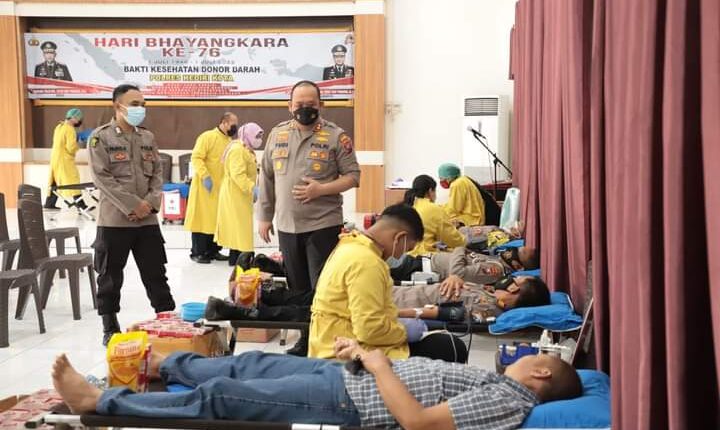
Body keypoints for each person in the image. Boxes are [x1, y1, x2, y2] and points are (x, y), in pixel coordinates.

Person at [51, 340, 582, 429]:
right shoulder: (498, 383)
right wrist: (364, 357)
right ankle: (164, 365)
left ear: (541, 374)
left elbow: (417, 422)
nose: (527, 354)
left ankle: (102, 402)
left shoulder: (509, 401)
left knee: (223, 399)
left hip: (348, 402)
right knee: (247, 363)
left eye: (536, 356)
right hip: (348, 376)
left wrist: (379, 366)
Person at [258, 80, 360, 355]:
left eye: (311, 105)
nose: (305, 109)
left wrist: (321, 189)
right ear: (289, 106)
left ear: (321, 105)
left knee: (324, 288)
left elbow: (353, 176)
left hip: (322, 224)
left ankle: (327, 341)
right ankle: (305, 339)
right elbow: (266, 176)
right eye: (299, 104)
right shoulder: (277, 134)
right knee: (297, 287)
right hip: (287, 225)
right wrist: (264, 216)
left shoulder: (336, 136)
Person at [309, 203, 466, 362]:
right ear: (399, 237)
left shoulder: (350, 246)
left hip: (331, 343)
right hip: (345, 352)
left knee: (442, 343)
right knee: (451, 347)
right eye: (405, 249)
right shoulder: (367, 263)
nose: (398, 257)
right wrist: (403, 332)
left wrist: (401, 320)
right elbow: (369, 330)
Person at [87, 84, 176, 346]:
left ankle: (166, 319)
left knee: (156, 274)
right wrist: (132, 205)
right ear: (118, 106)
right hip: (114, 221)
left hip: (147, 221)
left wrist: (149, 203)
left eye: (143, 105)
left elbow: (157, 174)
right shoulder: (101, 138)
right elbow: (102, 178)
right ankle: (109, 327)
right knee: (109, 277)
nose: (140, 109)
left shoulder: (147, 137)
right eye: (135, 104)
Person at [185, 113, 239, 264]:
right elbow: (196, 157)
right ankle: (198, 252)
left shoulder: (229, 141)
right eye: (233, 124)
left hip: (221, 189)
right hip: (204, 187)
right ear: (224, 122)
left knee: (217, 221)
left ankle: (213, 251)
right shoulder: (207, 137)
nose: (235, 128)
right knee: (202, 220)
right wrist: (205, 176)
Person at [393, 275, 551, 323]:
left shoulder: (491, 311)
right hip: (398, 290)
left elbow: (443, 313)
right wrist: (455, 277)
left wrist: (395, 313)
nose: (511, 278)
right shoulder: (489, 293)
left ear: (514, 289)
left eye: (516, 279)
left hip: (398, 302)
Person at [214, 122, 264, 266]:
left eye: (260, 136)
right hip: (235, 194)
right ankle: (240, 259)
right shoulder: (238, 150)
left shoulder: (246, 149)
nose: (259, 139)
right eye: (257, 136)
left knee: (240, 228)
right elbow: (238, 175)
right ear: (248, 135)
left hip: (240, 193)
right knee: (239, 227)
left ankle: (239, 258)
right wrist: (252, 188)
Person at [390, 245, 540, 284]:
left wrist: (459, 249)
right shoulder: (496, 260)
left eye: (518, 252)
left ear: (518, 266)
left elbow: (458, 273)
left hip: (419, 270)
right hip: (418, 261)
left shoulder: (496, 270)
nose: (511, 250)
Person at [403, 174, 466, 256]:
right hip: (425, 254)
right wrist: (465, 241)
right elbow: (453, 239)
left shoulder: (411, 205)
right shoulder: (432, 208)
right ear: (430, 190)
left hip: (411, 253)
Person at [44, 108, 86, 210]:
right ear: (74, 118)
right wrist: (79, 142)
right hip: (64, 160)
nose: (79, 121)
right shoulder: (70, 129)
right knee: (73, 181)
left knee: (54, 181)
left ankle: (49, 204)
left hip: (55, 159)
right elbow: (71, 148)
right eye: (79, 119)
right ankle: (81, 205)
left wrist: (75, 138)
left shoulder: (59, 127)